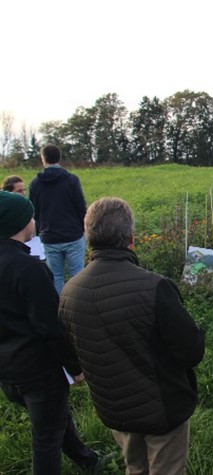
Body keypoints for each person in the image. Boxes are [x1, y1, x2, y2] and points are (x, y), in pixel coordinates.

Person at [59, 197, 205, 474]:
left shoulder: (69, 292)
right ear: (130, 237)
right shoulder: (154, 287)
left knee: (134, 466)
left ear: (87, 237)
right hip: (163, 408)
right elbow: (191, 351)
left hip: (114, 408)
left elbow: (72, 352)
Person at [0, 191, 98, 474]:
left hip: (8, 369)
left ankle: (86, 459)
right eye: (31, 215)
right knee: (46, 439)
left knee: (54, 417)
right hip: (37, 371)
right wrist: (75, 366)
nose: (35, 219)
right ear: (19, 224)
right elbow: (51, 326)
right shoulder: (28, 269)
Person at [29, 144, 87, 294]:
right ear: (59, 158)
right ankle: (76, 311)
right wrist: (85, 228)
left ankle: (58, 311)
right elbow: (80, 208)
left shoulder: (35, 184)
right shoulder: (71, 180)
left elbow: (34, 211)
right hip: (73, 235)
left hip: (49, 237)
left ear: (43, 159)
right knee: (78, 277)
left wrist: (39, 231)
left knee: (55, 278)